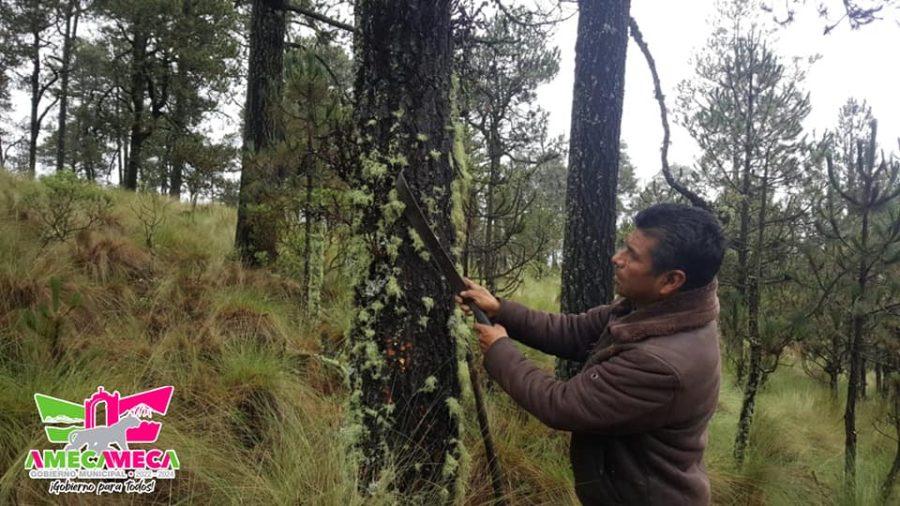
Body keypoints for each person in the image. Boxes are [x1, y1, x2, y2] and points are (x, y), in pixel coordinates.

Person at [455, 203, 726, 505]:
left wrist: (499, 350)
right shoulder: (654, 308)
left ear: (671, 281)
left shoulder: (661, 363)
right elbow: (573, 331)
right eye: (625, 246)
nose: (616, 259)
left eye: (632, 256)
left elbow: (561, 405)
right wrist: (501, 309)